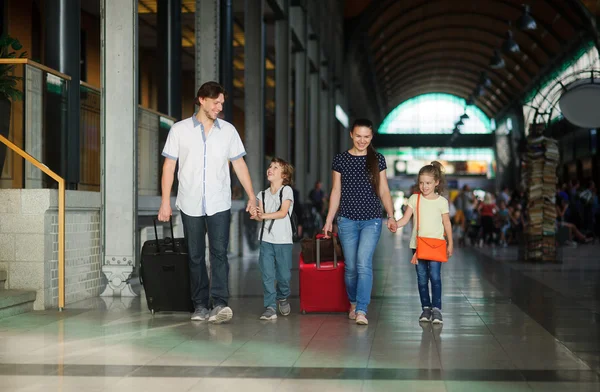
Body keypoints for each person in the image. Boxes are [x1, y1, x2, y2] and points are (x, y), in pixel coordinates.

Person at [158, 81, 256, 324]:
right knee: (195, 255)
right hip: (189, 202)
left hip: (219, 203)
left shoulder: (229, 131)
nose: (220, 107)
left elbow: (239, 165)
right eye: (216, 102)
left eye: (222, 103)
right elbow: (169, 167)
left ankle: (220, 303)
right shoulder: (179, 130)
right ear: (202, 100)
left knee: (219, 254)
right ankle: (200, 305)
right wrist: (165, 202)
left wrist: (252, 196)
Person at [322, 118, 397, 326]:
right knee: (351, 268)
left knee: (364, 263)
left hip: (371, 220)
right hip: (346, 220)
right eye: (358, 136)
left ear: (371, 137)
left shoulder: (378, 159)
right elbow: (336, 191)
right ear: (351, 135)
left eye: (366, 137)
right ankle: (353, 302)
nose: (362, 140)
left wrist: (390, 215)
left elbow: (384, 190)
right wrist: (329, 220)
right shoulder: (340, 160)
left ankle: (362, 309)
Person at [394, 161, 453, 325]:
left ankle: (437, 310)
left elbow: (447, 223)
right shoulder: (415, 198)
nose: (424, 186)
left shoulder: (442, 202)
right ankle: (426, 308)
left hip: (436, 245)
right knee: (421, 279)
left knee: (435, 277)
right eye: (421, 183)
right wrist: (395, 224)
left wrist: (451, 243)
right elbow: (406, 219)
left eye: (428, 183)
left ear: (436, 183)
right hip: (418, 246)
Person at [251, 158, 295, 320]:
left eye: (276, 168)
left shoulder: (287, 191)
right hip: (266, 240)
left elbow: (283, 212)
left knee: (284, 275)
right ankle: (269, 307)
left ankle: (282, 297)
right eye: (270, 166)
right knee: (267, 274)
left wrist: (263, 215)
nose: (270, 169)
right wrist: (255, 215)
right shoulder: (262, 194)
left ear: (284, 175)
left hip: (283, 240)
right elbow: (260, 217)